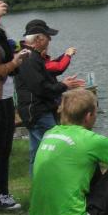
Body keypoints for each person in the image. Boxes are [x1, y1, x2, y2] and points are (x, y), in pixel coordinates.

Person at [14, 20, 85, 173]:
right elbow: (40, 88)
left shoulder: (33, 56)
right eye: (48, 37)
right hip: (38, 112)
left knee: (37, 151)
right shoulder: (29, 59)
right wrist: (64, 85)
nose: (50, 40)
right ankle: (59, 180)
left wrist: (63, 84)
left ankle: (38, 183)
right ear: (38, 39)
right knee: (56, 148)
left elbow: (44, 80)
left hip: (35, 111)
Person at [0, 0, 29, 212]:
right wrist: (14, 63)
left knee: (4, 148)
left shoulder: (0, 31)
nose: (3, 4)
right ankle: (1, 195)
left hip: (6, 96)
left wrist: (17, 55)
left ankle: (2, 192)